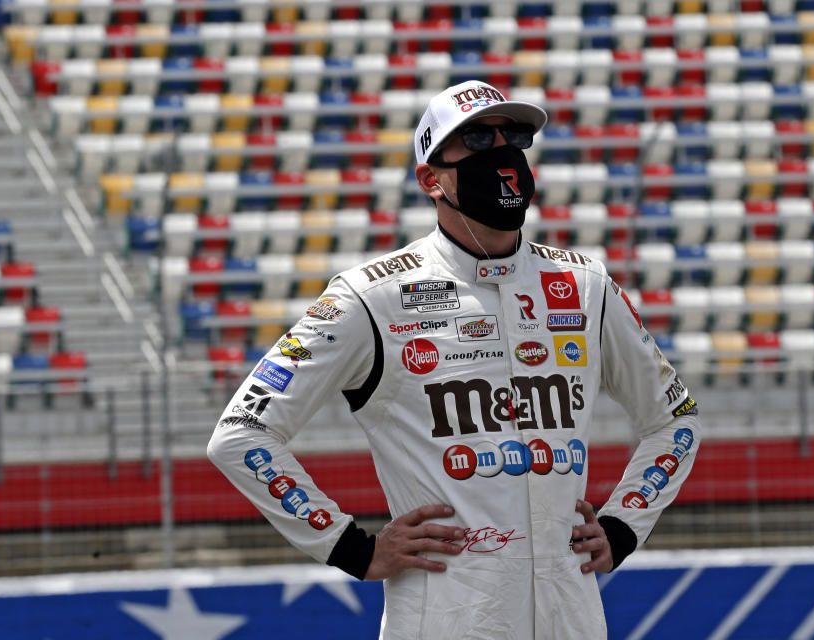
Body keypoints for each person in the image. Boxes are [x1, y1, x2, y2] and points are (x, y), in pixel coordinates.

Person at [208, 79, 701, 639]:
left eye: (512, 135)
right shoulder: (370, 296)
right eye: (475, 139)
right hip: (447, 615)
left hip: (572, 614)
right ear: (431, 179)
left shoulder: (584, 284)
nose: (502, 151)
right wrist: (351, 548)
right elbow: (240, 435)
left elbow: (675, 420)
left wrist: (622, 526)